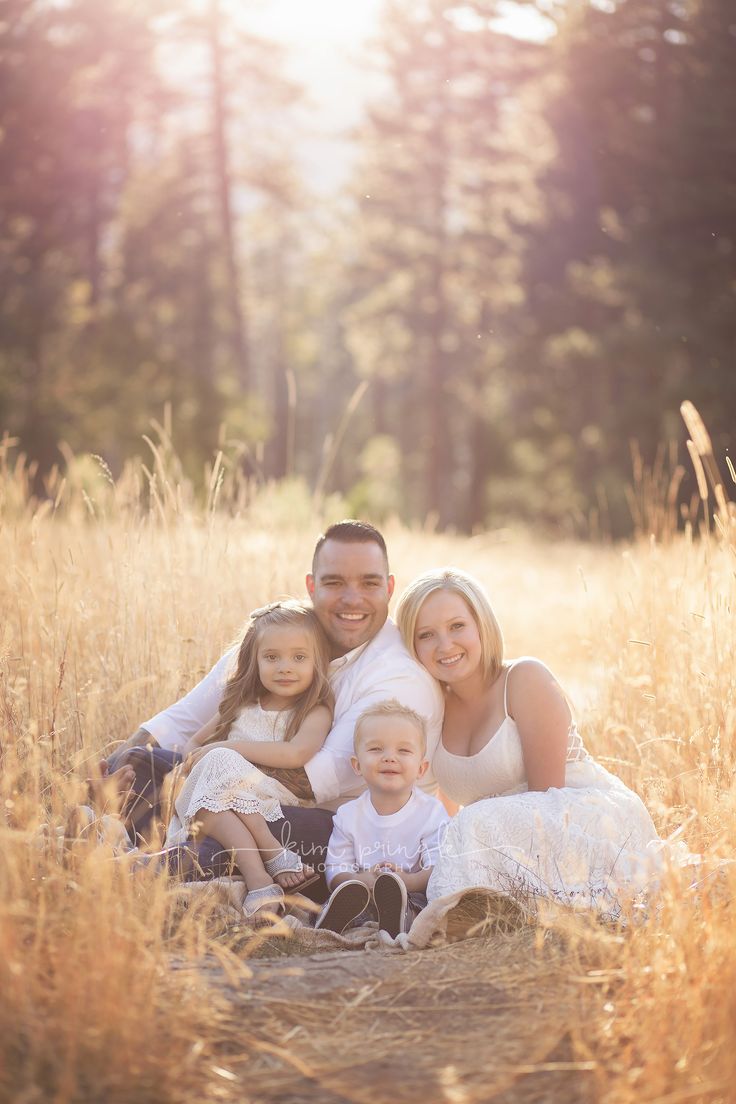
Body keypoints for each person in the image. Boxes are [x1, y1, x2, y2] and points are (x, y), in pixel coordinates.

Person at [108, 521, 444, 899]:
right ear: (312, 586)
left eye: (368, 583)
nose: (352, 599)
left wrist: (209, 770)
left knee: (230, 832)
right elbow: (179, 719)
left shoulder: (397, 676)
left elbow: (314, 779)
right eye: (334, 583)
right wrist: (109, 775)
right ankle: (105, 833)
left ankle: (134, 873)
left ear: (389, 588)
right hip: (244, 786)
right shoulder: (281, 635)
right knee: (138, 763)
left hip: (335, 823)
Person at [395, 567, 691, 921]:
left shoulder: (524, 678)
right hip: (504, 836)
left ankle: (429, 904)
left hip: (578, 816)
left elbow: (549, 801)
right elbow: (443, 811)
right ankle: (420, 898)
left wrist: (466, 833)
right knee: (452, 834)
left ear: (481, 626)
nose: (445, 645)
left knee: (472, 824)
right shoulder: (434, 707)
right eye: (426, 635)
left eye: (457, 626)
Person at [164, 601, 333, 921]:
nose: (285, 666)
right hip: (219, 801)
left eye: (299, 657)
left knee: (220, 758)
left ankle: (267, 856)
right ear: (254, 661)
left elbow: (296, 753)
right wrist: (191, 765)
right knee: (210, 784)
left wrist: (231, 749)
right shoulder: (241, 704)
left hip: (269, 793)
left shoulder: (315, 709)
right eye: (272, 657)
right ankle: (262, 877)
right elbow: (195, 743)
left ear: (317, 661)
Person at [315, 700, 449, 937]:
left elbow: (438, 867)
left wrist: (407, 881)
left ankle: (399, 918)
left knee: (421, 904)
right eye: (376, 749)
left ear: (421, 768)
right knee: (344, 895)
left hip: (411, 891)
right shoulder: (348, 815)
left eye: (403, 750)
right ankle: (336, 920)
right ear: (357, 766)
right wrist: (360, 879)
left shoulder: (431, 812)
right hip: (362, 893)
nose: (389, 757)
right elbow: (335, 869)